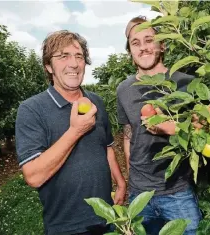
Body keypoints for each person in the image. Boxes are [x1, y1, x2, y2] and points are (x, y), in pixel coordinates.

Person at [15, 30, 126, 235]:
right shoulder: (32, 109)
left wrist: (120, 183)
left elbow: (107, 146)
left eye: (79, 56)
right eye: (63, 56)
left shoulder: (96, 102)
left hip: (106, 218)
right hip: (66, 226)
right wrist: (75, 131)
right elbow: (33, 176)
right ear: (48, 66)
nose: (73, 63)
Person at [116, 16, 202, 235]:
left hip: (177, 192)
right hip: (139, 195)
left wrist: (170, 128)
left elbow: (205, 130)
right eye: (135, 43)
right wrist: (130, 180)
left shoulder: (184, 82)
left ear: (162, 44)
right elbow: (128, 136)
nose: (143, 48)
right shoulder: (124, 89)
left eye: (149, 40)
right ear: (130, 52)